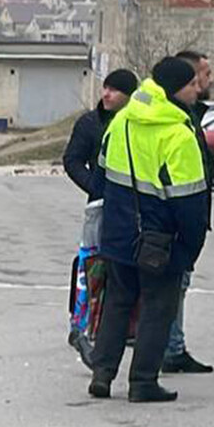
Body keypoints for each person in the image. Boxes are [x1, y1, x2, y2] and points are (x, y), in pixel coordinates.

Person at [87, 57, 210, 403]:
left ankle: (102, 373)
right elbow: (190, 203)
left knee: (118, 302)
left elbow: (100, 177)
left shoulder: (122, 120)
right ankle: (142, 382)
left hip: (117, 232)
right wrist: (189, 248)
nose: (197, 90)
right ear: (174, 89)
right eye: (191, 85)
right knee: (158, 308)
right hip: (159, 240)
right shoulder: (178, 133)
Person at [61, 68, 139, 363]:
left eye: (114, 90)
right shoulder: (91, 123)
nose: (106, 94)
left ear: (129, 96)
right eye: (105, 88)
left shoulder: (135, 124)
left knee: (123, 267)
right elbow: (72, 160)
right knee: (90, 263)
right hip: (101, 206)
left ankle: (123, 325)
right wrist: (94, 186)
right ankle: (79, 323)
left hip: (133, 207)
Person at [162, 50, 214, 374]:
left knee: (179, 285)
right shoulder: (178, 121)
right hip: (174, 220)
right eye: (204, 76)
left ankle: (173, 345)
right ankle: (169, 348)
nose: (208, 82)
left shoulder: (190, 116)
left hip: (187, 217)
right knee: (172, 285)